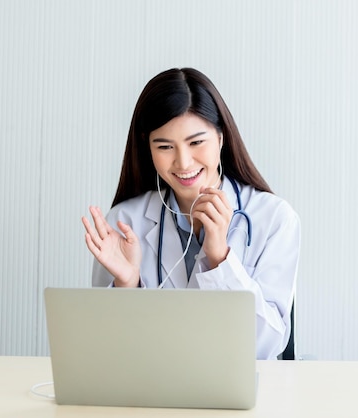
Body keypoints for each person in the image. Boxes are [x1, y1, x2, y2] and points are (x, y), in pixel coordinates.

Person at [82, 68, 301, 360]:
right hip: (151, 398)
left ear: (221, 138)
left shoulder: (274, 218)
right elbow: (104, 355)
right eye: (164, 146)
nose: (183, 162)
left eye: (196, 142)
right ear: (147, 148)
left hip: (238, 398)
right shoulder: (124, 223)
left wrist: (220, 258)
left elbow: (266, 347)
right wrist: (127, 284)